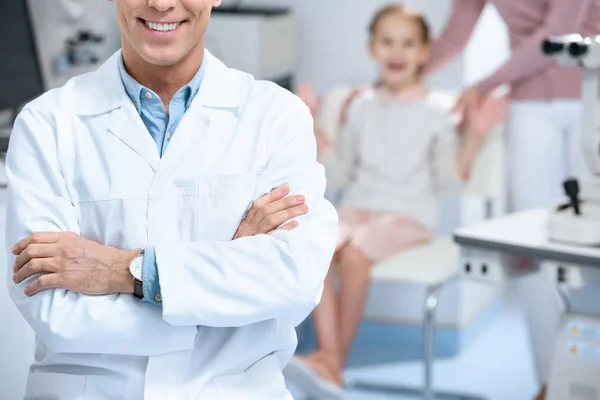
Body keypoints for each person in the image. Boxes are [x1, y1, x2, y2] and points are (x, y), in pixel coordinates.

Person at [6, 0, 338, 399]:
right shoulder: (47, 125)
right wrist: (226, 285)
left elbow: (294, 279)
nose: (161, 4)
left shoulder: (277, 117)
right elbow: (55, 313)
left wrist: (125, 270)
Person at [284, 4, 502, 398]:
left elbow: (450, 180)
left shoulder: (439, 111)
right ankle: (330, 363)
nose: (396, 52)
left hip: (408, 218)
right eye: (387, 42)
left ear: (424, 52)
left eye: (407, 43)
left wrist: (475, 137)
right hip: (356, 211)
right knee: (316, 246)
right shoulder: (359, 105)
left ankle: (332, 360)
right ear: (371, 48)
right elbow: (342, 173)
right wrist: (314, 124)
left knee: (354, 254)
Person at [425, 1, 600, 398]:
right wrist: (391, 83)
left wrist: (482, 86)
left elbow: (559, 33)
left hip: (593, 90)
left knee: (593, 248)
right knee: (537, 247)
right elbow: (454, 36)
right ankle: (550, 381)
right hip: (530, 105)